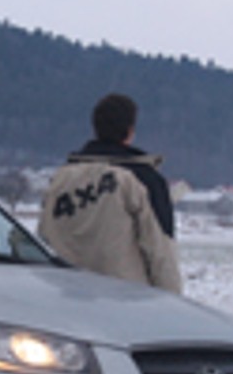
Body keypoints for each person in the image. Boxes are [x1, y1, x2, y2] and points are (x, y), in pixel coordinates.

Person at [37, 92, 182, 292]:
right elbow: (160, 252)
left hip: (63, 300)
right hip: (124, 304)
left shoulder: (60, 179)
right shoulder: (142, 180)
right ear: (130, 131)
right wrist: (174, 308)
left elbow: (43, 238)